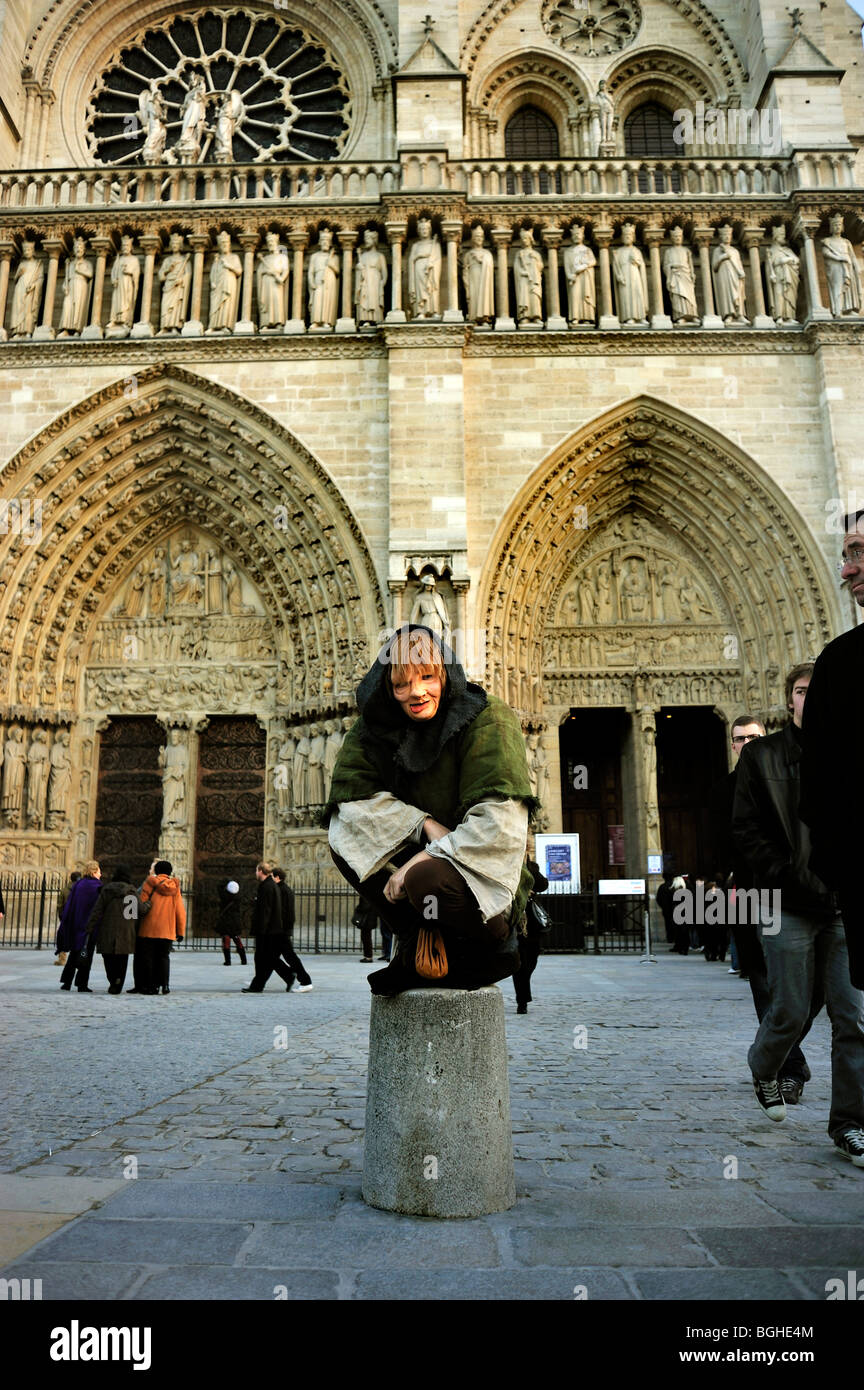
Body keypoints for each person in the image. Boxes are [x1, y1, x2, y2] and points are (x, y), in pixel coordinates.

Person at [322, 624, 539, 996]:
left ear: (446, 674)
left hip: (476, 873)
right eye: (401, 684)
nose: (416, 692)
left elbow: (497, 825)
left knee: (426, 879)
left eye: (427, 677)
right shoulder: (374, 729)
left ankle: (490, 949)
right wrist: (421, 824)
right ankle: (415, 946)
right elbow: (350, 805)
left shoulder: (487, 718)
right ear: (388, 688)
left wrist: (416, 862)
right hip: (427, 853)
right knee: (343, 840)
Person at [734, 663, 864, 1166]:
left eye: (820, 691)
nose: (812, 699)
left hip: (842, 903)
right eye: (803, 691)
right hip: (785, 902)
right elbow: (746, 833)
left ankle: (850, 1124)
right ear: (789, 700)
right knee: (789, 1008)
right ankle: (764, 1063)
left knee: (851, 1017)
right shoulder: (762, 756)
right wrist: (789, 875)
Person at [800, 509, 864, 992]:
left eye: (859, 552)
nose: (845, 570)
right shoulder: (839, 665)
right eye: (845, 555)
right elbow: (818, 789)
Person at [83, 863, 151, 993]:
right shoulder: (131, 891)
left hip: (107, 929)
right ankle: (118, 982)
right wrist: (148, 904)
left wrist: (89, 927)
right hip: (125, 930)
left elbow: (97, 910)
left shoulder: (106, 890)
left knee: (108, 957)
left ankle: (112, 980)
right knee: (122, 959)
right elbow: (139, 911)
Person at [135, 859, 186, 995]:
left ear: (156, 871)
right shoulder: (174, 888)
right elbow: (180, 910)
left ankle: (152, 986)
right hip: (167, 930)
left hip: (148, 928)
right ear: (170, 872)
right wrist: (180, 931)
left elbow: (142, 904)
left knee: (149, 958)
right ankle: (165, 985)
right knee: (164, 957)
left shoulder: (149, 883)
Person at [242, 861, 292, 993]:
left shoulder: (267, 887)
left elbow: (266, 911)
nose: (255, 873)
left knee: (262, 959)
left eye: (256, 870)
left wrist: (262, 930)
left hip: (267, 930)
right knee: (268, 958)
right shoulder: (270, 885)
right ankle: (288, 975)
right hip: (271, 929)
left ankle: (257, 986)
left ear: (260, 871)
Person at [512, 847, 549, 1014]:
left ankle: (523, 992)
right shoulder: (507, 864)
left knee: (531, 961)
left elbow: (543, 885)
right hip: (515, 921)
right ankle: (522, 1000)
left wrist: (531, 870)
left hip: (532, 924)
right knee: (521, 964)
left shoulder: (531, 867)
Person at [58, 861, 102, 992]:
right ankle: (82, 984)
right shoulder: (98, 886)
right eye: (99, 871)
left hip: (77, 924)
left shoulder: (78, 885)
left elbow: (70, 905)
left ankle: (66, 982)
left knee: (74, 954)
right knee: (86, 955)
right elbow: (99, 908)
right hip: (90, 927)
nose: (101, 874)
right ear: (94, 872)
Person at [271, 866, 313, 991]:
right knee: (271, 957)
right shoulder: (284, 889)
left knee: (290, 957)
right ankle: (289, 976)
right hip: (282, 929)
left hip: (281, 930)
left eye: (271, 877)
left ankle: (305, 981)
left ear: (277, 877)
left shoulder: (281, 890)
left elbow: (283, 912)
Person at [216, 879, 246, 966]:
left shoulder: (224, 896)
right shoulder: (238, 897)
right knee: (237, 939)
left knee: (226, 939)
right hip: (235, 920)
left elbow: (219, 887)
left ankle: (228, 961)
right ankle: (243, 960)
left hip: (226, 920)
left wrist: (227, 881)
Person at [54, 869, 81, 965]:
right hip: (78, 917)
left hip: (67, 917)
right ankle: (78, 958)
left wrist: (61, 916)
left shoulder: (65, 889)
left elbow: (60, 905)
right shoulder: (81, 889)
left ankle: (62, 958)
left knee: (63, 937)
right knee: (78, 937)